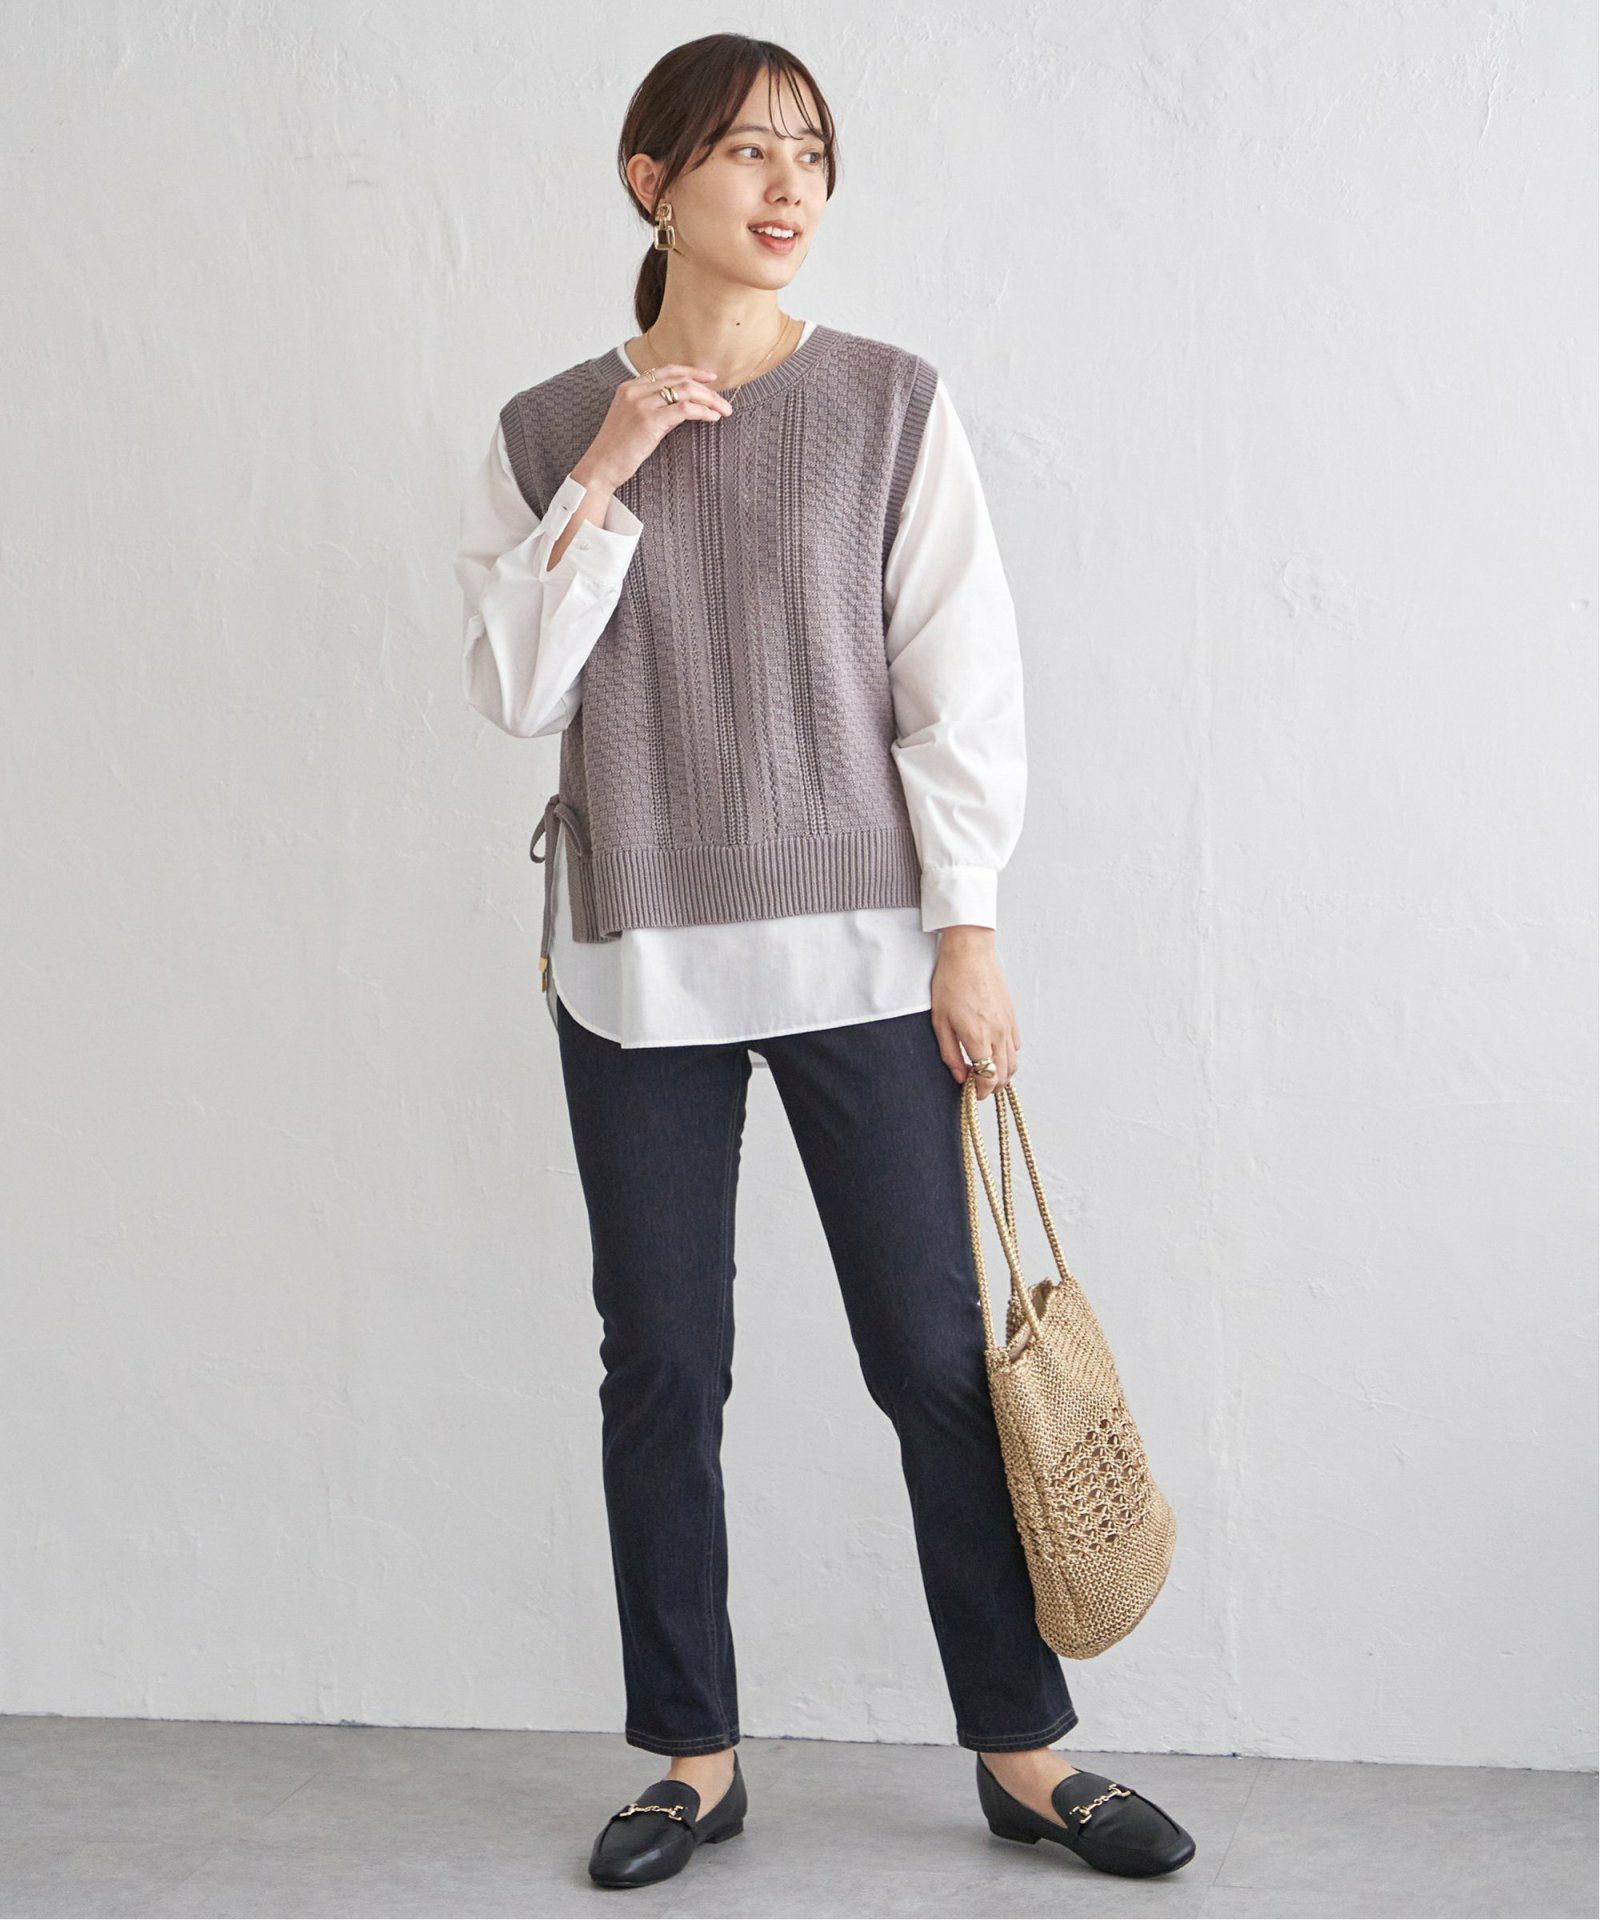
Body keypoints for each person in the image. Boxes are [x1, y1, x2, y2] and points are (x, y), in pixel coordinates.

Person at [455, 31, 1195, 1893]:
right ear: (651, 182)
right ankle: (691, 1760)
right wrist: (614, 464)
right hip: (639, 964)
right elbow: (516, 690)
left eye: (809, 153)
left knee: (937, 1361)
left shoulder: (887, 404)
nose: (787, 188)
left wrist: (969, 931)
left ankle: (1022, 1752)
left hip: (865, 951)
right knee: (662, 1367)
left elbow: (960, 684)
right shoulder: (542, 431)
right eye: (742, 153)